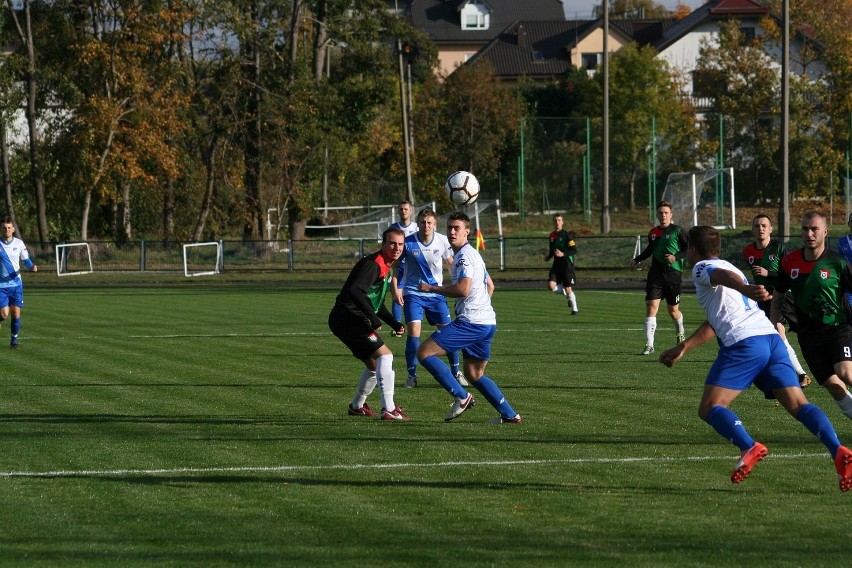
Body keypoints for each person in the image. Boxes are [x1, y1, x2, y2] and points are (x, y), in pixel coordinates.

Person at [659, 225, 852, 491]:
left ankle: (748, 446)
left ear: (692, 250)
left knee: (710, 408)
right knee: (798, 404)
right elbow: (716, 319)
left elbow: (720, 274)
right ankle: (837, 450)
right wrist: (684, 347)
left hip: (744, 343)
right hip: (771, 339)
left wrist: (747, 289)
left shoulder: (702, 267)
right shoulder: (734, 267)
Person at [416, 211, 521, 424]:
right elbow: (490, 285)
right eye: (450, 228)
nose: (452, 232)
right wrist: (481, 309)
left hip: (471, 322)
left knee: (424, 352)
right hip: (486, 322)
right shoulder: (473, 254)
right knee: (474, 373)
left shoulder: (463, 256)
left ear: (467, 232)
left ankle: (461, 396)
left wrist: (432, 288)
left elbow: (463, 290)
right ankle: (510, 415)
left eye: (457, 228)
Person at [772, 211, 852, 421]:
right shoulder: (789, 262)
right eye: (805, 228)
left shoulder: (838, 263)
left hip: (837, 328)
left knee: (846, 372)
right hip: (808, 336)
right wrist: (772, 325)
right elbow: (778, 296)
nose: (809, 233)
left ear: (825, 232)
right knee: (834, 386)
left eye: (814, 229)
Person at [328, 226, 409, 421]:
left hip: (347, 319)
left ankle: (356, 406)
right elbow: (356, 291)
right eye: (392, 243)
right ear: (383, 245)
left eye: (400, 244)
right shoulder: (374, 264)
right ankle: (388, 408)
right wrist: (373, 319)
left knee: (375, 365)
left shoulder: (386, 266)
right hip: (347, 318)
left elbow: (375, 303)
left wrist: (394, 323)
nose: (397, 248)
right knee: (386, 357)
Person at [392, 208, 466, 389]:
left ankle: (456, 372)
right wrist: (396, 290)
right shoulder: (408, 243)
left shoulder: (442, 241)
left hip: (436, 295)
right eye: (423, 222)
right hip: (413, 294)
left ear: (435, 225)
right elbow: (395, 268)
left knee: (449, 334)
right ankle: (411, 376)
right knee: (414, 334)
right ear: (417, 223)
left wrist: (457, 287)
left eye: (430, 223)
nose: (426, 226)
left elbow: (451, 265)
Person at [742, 214, 811, 388]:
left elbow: (789, 273)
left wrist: (768, 274)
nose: (761, 228)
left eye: (764, 225)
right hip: (764, 298)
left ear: (771, 229)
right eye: (757, 226)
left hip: (783, 296)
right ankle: (799, 374)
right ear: (753, 229)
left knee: (807, 332)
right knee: (777, 333)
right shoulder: (748, 251)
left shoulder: (780, 248)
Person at [628, 201, 687, 355]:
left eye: (666, 212)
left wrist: (676, 257)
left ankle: (680, 330)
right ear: (657, 215)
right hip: (656, 274)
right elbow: (650, 250)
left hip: (673, 274)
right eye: (660, 213)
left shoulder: (678, 231)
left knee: (673, 311)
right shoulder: (653, 232)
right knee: (651, 307)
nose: (663, 215)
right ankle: (649, 344)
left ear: (671, 214)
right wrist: (637, 259)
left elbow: (688, 249)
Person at [1, 217, 38, 349]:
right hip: (1, 287)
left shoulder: (19, 243)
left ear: (13, 229)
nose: (7, 230)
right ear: (2, 229)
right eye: (4, 228)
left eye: (9, 228)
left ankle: (14, 341)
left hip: (16, 285)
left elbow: (26, 260)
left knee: (16, 314)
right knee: (4, 314)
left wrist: (31, 266)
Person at [388, 200, 418, 330]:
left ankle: (414, 320)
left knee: (414, 295)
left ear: (411, 211)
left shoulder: (417, 227)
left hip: (414, 266)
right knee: (396, 294)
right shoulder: (393, 228)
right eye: (401, 209)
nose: (403, 211)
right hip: (399, 266)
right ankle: (397, 325)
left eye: (406, 209)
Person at [545, 213, 579, 316]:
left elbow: (574, 250)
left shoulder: (567, 235)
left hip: (567, 265)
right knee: (551, 286)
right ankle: (566, 294)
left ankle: (575, 310)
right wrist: (548, 257)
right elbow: (552, 250)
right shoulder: (551, 235)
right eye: (555, 220)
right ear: (553, 222)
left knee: (568, 288)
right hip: (556, 265)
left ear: (562, 222)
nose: (557, 222)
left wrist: (563, 254)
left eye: (559, 220)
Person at [834, 212, 852, 306]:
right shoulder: (842, 241)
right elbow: (838, 262)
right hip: (849, 285)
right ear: (849, 224)